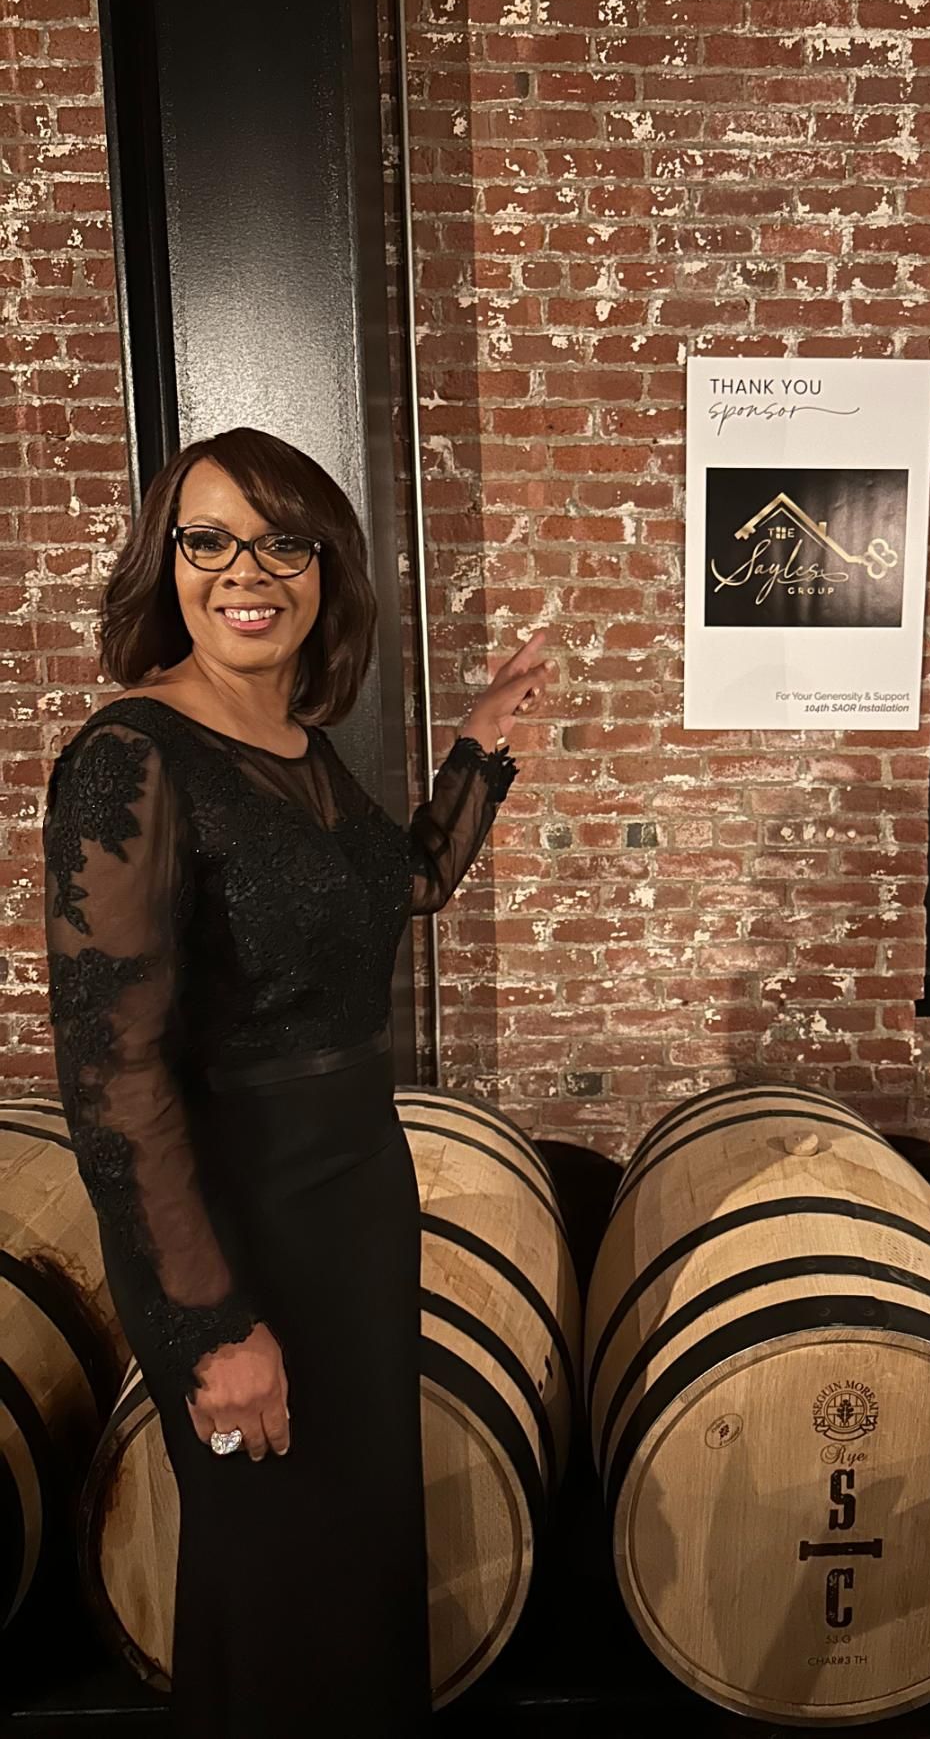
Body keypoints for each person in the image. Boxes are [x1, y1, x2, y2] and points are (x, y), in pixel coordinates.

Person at [42, 427, 549, 1736]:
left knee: (357, 1567)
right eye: (208, 540)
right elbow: (111, 1075)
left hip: (354, 1202)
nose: (244, 572)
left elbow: (407, 883)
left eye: (281, 543)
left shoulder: (301, 743)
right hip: (236, 1223)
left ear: (327, 570)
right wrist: (209, 1325)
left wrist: (478, 751)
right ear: (166, 564)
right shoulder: (132, 755)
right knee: (274, 1583)